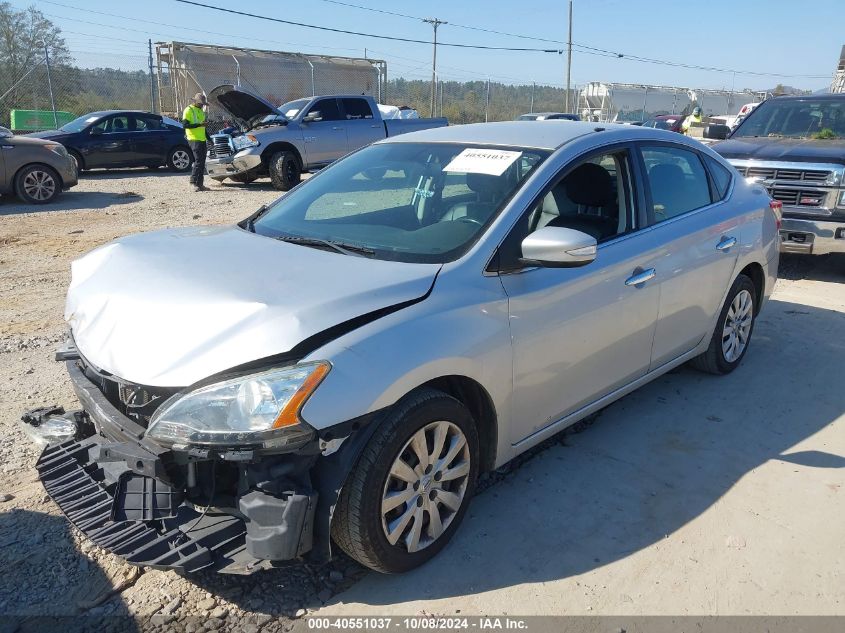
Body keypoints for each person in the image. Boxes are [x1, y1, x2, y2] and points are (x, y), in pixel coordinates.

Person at [182, 92, 208, 191]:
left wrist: (209, 139)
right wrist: (199, 125)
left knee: (202, 162)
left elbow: (203, 128)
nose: (202, 105)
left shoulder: (201, 111)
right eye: (201, 103)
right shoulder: (188, 110)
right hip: (193, 139)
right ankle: (193, 182)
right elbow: (185, 125)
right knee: (198, 161)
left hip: (202, 139)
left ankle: (200, 184)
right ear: (195, 102)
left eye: (203, 104)